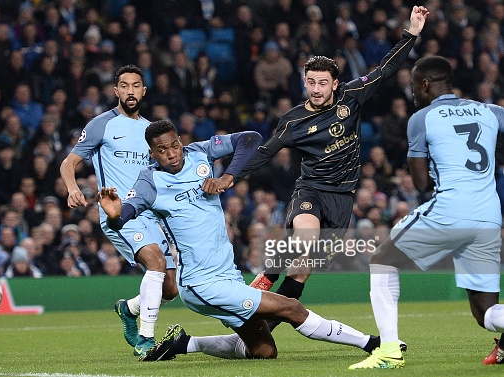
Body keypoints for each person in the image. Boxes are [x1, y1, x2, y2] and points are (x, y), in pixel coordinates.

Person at [99, 120, 389, 362]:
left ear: (180, 141)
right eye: (162, 150)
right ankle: (371, 343)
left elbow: (251, 138)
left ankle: (184, 343)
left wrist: (227, 176)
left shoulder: (200, 153)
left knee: (263, 351)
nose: (172, 154)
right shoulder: (149, 182)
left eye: (174, 145)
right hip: (201, 284)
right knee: (291, 308)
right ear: (152, 152)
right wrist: (114, 215)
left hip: (227, 275)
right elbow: (125, 213)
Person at [235, 6, 429, 332]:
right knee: (307, 239)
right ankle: (266, 276)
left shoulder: (351, 97)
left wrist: (411, 33)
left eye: (322, 83)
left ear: (335, 84)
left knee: (302, 271)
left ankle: (261, 329)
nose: (315, 89)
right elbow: (267, 151)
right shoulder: (294, 119)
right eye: (310, 82)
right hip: (311, 190)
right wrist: (230, 176)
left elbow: (386, 67)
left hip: (342, 200)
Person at [350, 55, 504, 369]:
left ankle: (389, 351)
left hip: (450, 209)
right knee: (486, 313)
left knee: (382, 260)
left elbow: (420, 182)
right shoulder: (490, 111)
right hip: (489, 215)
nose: (413, 96)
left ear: (425, 83)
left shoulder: (422, 118)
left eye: (414, 88)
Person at [59, 64, 177, 357]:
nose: (130, 91)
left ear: (144, 90)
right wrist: (73, 188)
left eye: (136, 85)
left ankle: (129, 308)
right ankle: (146, 341)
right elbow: (68, 163)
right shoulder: (102, 124)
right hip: (118, 214)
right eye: (124, 86)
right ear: (116, 91)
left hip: (150, 213)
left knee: (171, 289)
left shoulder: (151, 131)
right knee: (157, 265)